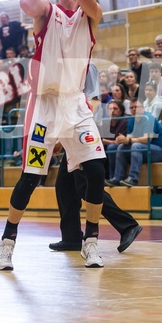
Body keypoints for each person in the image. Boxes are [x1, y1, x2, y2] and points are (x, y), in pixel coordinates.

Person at [0, 0, 107, 271]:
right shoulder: (46, 12)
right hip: (44, 106)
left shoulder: (92, 14)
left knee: (97, 170)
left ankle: (91, 242)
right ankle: (6, 243)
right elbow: (26, 2)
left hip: (76, 106)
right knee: (31, 178)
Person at [51, 68, 143, 253]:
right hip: (73, 132)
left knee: (85, 186)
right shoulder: (67, 63)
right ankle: (71, 238)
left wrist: (66, 136)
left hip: (83, 134)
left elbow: (92, 103)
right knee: (65, 186)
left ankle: (127, 226)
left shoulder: (86, 65)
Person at [114, 98, 162, 187]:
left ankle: (133, 179)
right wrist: (122, 139)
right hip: (145, 150)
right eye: (131, 108)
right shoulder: (131, 120)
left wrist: (129, 140)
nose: (134, 109)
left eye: (136, 107)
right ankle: (117, 178)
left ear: (142, 108)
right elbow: (129, 138)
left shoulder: (149, 118)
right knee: (121, 147)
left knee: (136, 146)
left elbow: (147, 140)